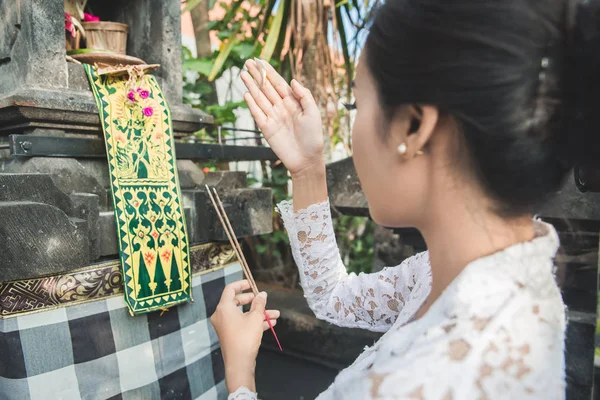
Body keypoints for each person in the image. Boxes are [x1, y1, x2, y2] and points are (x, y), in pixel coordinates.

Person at [208, 0, 598, 398]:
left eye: (356, 105)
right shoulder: (476, 270)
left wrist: (240, 377)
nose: (352, 125)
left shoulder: (430, 379)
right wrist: (308, 169)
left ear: (413, 126)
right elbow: (334, 298)